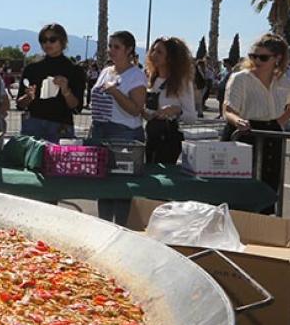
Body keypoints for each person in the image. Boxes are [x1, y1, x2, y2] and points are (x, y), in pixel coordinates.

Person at [224, 34, 290, 206]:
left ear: (277, 58)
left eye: (263, 57)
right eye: (253, 56)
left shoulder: (281, 80)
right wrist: (237, 121)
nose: (256, 60)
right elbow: (228, 110)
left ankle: (263, 226)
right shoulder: (241, 78)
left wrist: (281, 121)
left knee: (269, 185)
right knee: (240, 191)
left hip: (271, 135)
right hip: (244, 134)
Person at [89, 31, 147, 223]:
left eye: (116, 47)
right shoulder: (106, 71)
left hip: (125, 133)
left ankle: (121, 226)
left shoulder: (136, 75)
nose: (111, 50)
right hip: (101, 130)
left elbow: (135, 109)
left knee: (122, 186)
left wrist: (115, 92)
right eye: (110, 46)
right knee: (103, 185)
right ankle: (103, 225)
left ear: (129, 49)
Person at [16, 24, 85, 142]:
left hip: (60, 125)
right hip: (33, 123)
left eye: (52, 40)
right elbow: (19, 105)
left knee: (59, 160)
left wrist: (66, 90)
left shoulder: (74, 70)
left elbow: (76, 108)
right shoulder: (32, 69)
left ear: (63, 42)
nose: (47, 44)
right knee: (31, 160)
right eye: (43, 40)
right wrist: (28, 97)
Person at [142, 37, 197, 164]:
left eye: (160, 52)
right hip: (150, 135)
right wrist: (144, 112)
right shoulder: (149, 78)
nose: (154, 55)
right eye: (153, 50)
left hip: (168, 137)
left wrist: (175, 110)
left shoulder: (181, 82)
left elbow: (191, 117)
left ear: (170, 58)